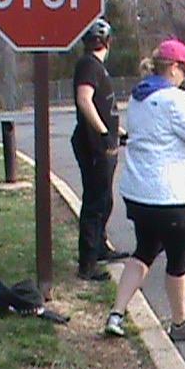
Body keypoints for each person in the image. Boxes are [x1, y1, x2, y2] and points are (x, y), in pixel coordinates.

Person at [104, 38, 185, 341]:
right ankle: (180, 322)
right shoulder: (173, 101)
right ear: (172, 68)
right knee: (177, 263)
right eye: (184, 70)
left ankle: (116, 314)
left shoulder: (138, 98)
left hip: (139, 194)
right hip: (168, 196)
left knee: (143, 252)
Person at [71, 19, 128, 282]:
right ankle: (87, 264)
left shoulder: (95, 67)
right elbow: (84, 100)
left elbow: (102, 105)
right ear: (108, 42)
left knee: (104, 200)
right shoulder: (88, 66)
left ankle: (100, 248)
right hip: (94, 146)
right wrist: (104, 133)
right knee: (95, 203)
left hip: (104, 143)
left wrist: (118, 131)